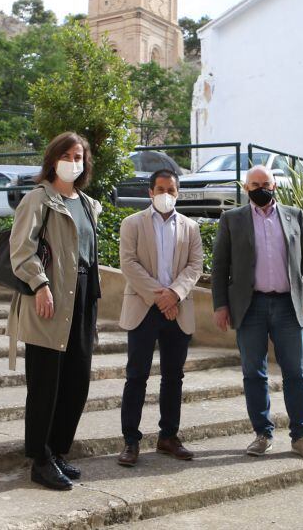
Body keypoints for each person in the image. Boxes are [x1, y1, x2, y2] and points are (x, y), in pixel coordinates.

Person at [8, 132, 101, 491]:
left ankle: (59, 450)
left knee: (77, 381)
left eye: (79, 156)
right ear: (52, 159)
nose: (73, 161)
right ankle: (40, 459)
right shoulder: (38, 199)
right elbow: (22, 249)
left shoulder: (88, 204)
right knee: (46, 383)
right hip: (49, 297)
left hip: (82, 299)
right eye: (66, 154)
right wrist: (40, 285)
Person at [211, 164, 303, 462]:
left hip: (288, 305)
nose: (261, 188)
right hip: (251, 306)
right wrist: (220, 305)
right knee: (253, 373)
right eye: (254, 184)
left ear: (274, 186)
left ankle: (301, 437)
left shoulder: (294, 215)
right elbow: (220, 266)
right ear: (246, 188)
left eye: (266, 183)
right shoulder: (232, 219)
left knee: (295, 374)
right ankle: (263, 433)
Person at [116, 168, 203, 467]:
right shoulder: (132, 224)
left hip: (177, 310)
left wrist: (174, 294)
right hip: (143, 308)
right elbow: (128, 263)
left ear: (178, 193)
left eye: (172, 190)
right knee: (137, 375)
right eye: (161, 189)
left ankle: (168, 436)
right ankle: (130, 440)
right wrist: (160, 296)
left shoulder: (191, 227)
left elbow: (195, 266)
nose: (167, 195)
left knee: (173, 377)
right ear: (150, 192)